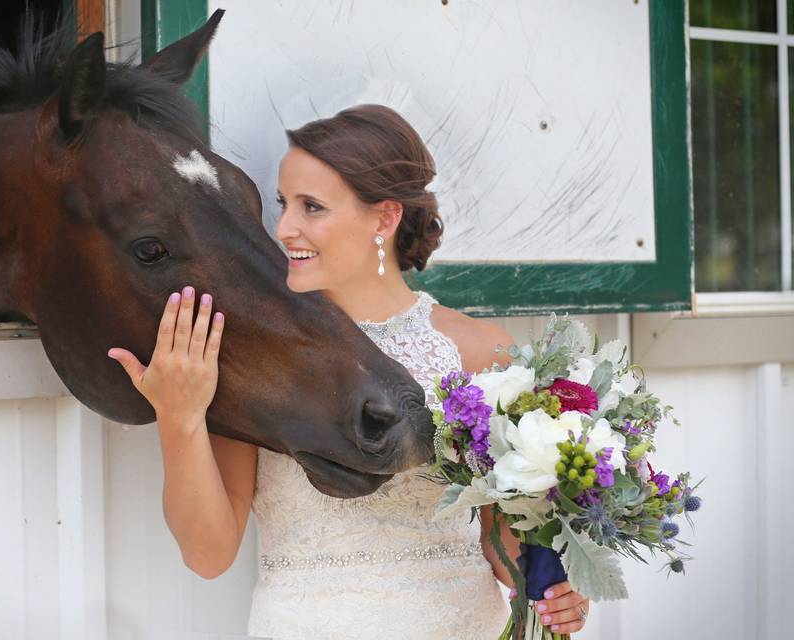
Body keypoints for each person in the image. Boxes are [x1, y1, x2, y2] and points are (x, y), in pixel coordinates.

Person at [107, 104, 591, 639]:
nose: (285, 228)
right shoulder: (257, 351)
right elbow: (208, 554)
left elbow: (502, 545)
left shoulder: (480, 350)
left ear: (384, 218)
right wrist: (180, 418)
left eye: (311, 207)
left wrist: (553, 589)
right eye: (283, 204)